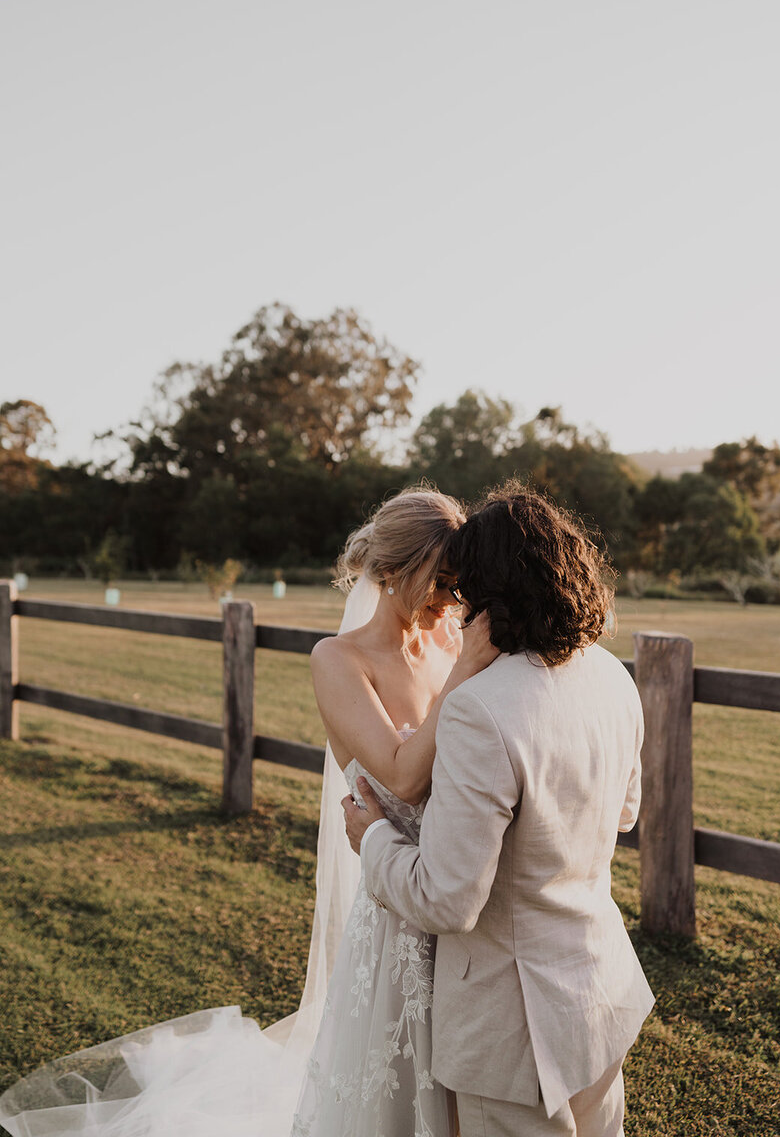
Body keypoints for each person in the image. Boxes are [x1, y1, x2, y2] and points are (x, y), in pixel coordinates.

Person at [0, 486, 496, 1137]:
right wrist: (468, 671)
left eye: (458, 585)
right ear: (394, 571)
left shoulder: (449, 641)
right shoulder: (340, 660)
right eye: (439, 582)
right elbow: (401, 779)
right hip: (396, 897)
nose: (450, 600)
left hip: (455, 885)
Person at [344, 483, 656, 1137]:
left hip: (517, 1036)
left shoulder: (478, 710)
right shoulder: (612, 677)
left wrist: (373, 838)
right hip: (601, 995)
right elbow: (624, 812)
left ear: (485, 592)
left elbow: (447, 900)